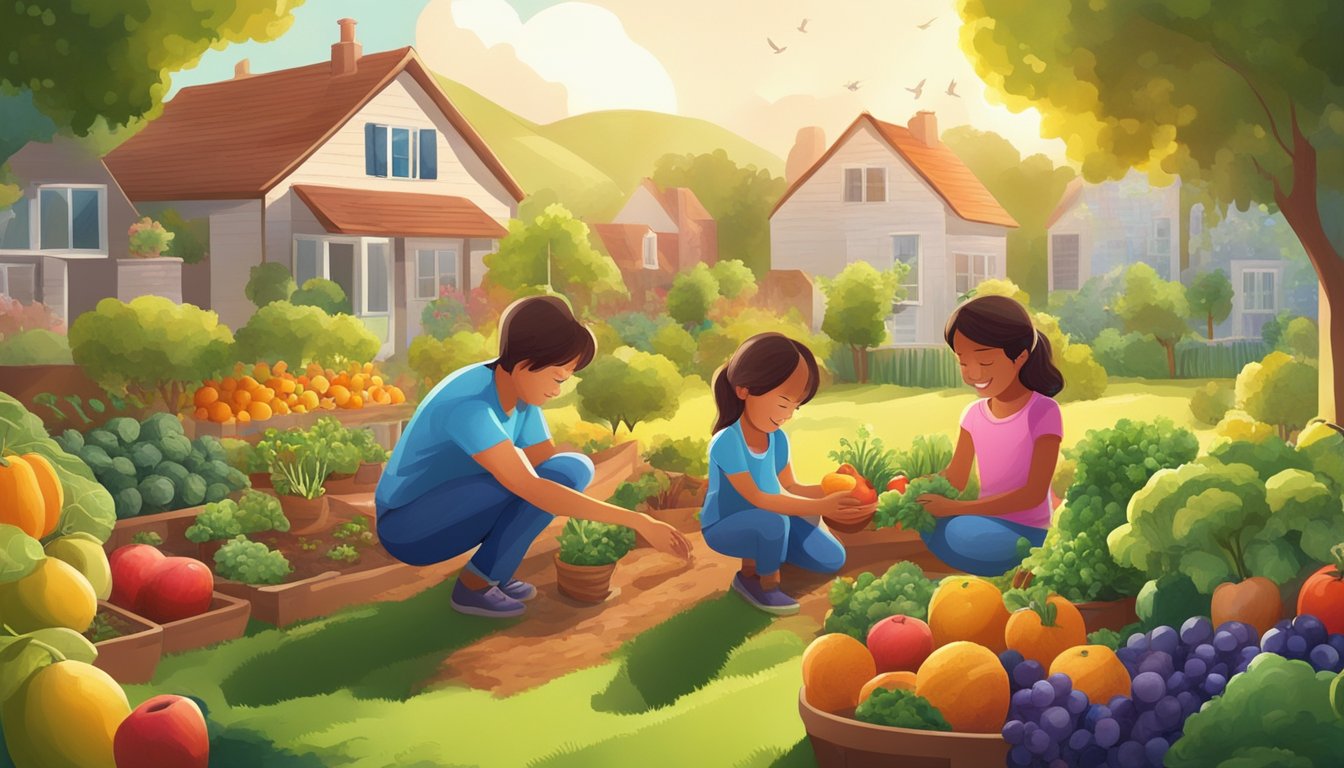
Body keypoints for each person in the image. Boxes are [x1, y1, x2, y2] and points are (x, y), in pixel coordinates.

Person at [375, 295, 692, 618]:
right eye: (557, 378)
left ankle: (490, 573)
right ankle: (474, 588)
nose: (557, 391)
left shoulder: (521, 396)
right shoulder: (470, 403)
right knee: (527, 486)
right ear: (526, 363)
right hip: (409, 527)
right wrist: (637, 520)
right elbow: (531, 487)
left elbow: (548, 470)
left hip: (462, 505)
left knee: (571, 469)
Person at [700, 333, 875, 616]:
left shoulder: (777, 440)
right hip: (725, 526)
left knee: (832, 558)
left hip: (774, 518)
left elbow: (789, 486)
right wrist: (820, 507)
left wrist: (836, 491)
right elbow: (758, 498)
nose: (788, 415)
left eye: (796, 406)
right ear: (744, 390)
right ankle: (759, 582)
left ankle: (772, 552)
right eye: (784, 404)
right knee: (771, 523)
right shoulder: (727, 441)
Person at [915, 295, 1065, 576]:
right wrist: (922, 487)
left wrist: (958, 508)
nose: (973, 374)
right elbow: (956, 477)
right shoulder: (973, 414)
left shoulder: (1043, 411)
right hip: (983, 523)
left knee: (960, 531)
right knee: (929, 521)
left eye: (984, 362)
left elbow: (1032, 495)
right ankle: (998, 568)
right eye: (963, 363)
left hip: (1028, 534)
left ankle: (1021, 566)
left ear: (1019, 357)